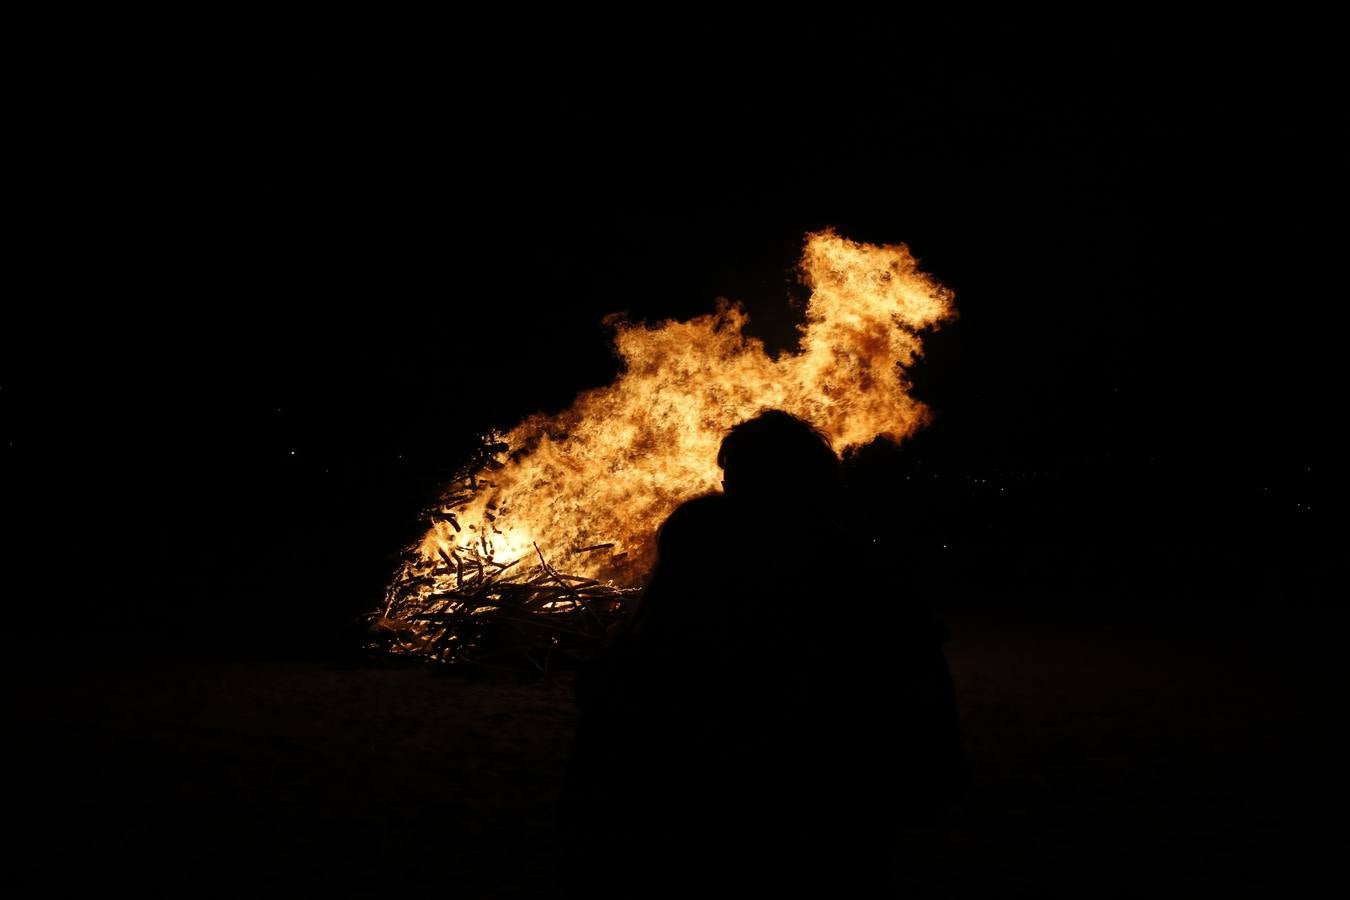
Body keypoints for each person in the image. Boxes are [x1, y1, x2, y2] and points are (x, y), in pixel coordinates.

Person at [559, 410, 965, 897]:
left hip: (770, 821)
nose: (730, 491)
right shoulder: (869, 576)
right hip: (831, 825)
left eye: (739, 480)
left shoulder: (721, 573)